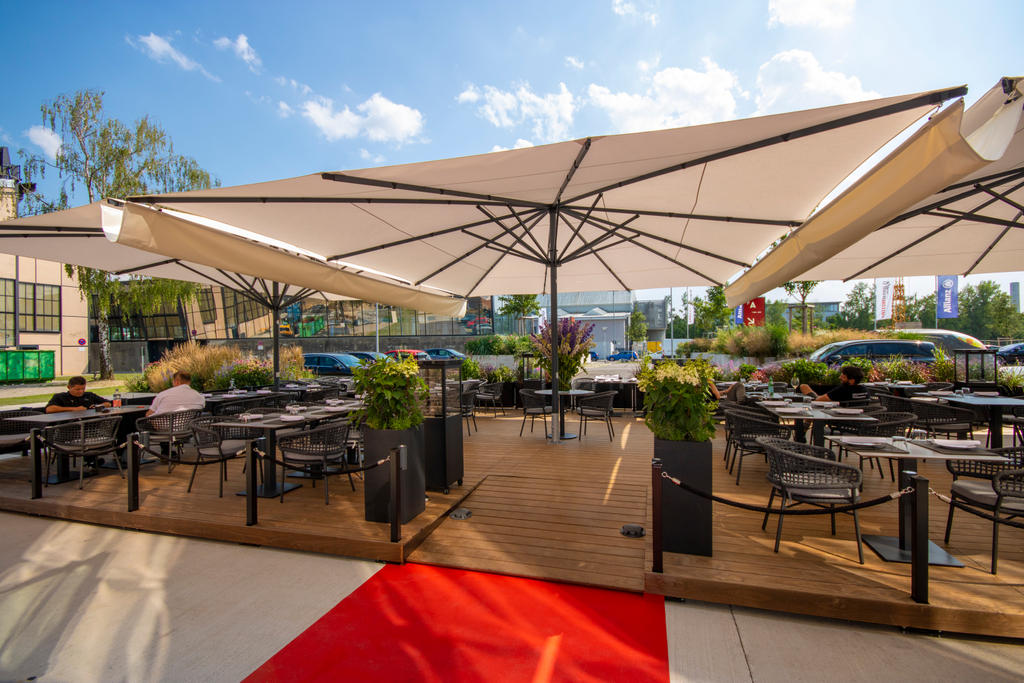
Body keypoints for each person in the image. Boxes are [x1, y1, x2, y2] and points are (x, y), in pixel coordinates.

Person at [799, 365, 867, 403]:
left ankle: (804, 427)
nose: (839, 378)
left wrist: (812, 394)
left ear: (852, 380)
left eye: (843, 377)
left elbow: (818, 400)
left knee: (804, 387)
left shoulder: (843, 390)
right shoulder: (865, 390)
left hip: (840, 418)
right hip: (858, 420)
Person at [45, 376, 111, 413]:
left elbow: (108, 403)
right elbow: (49, 409)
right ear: (69, 387)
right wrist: (74, 409)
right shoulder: (60, 397)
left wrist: (98, 406)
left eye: (83, 389)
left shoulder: (89, 395)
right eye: (77, 389)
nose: (81, 391)